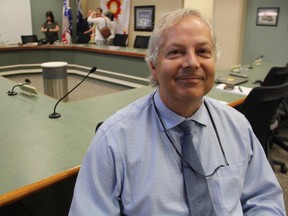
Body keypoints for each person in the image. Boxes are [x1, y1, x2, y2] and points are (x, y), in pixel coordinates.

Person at [69, 8, 286, 215]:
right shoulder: (113, 140)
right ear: (153, 66)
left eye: (203, 51)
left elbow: (265, 199)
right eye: (175, 52)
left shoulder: (238, 125)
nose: (192, 62)